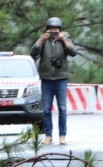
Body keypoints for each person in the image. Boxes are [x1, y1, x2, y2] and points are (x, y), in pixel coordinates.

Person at [30, 16, 76, 145]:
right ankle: (48, 135)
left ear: (60, 30)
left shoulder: (65, 38)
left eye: (56, 29)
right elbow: (33, 54)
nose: (53, 31)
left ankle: (62, 135)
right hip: (46, 79)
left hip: (61, 78)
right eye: (51, 29)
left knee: (62, 108)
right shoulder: (43, 39)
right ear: (47, 30)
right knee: (46, 109)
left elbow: (73, 52)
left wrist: (64, 40)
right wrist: (41, 40)